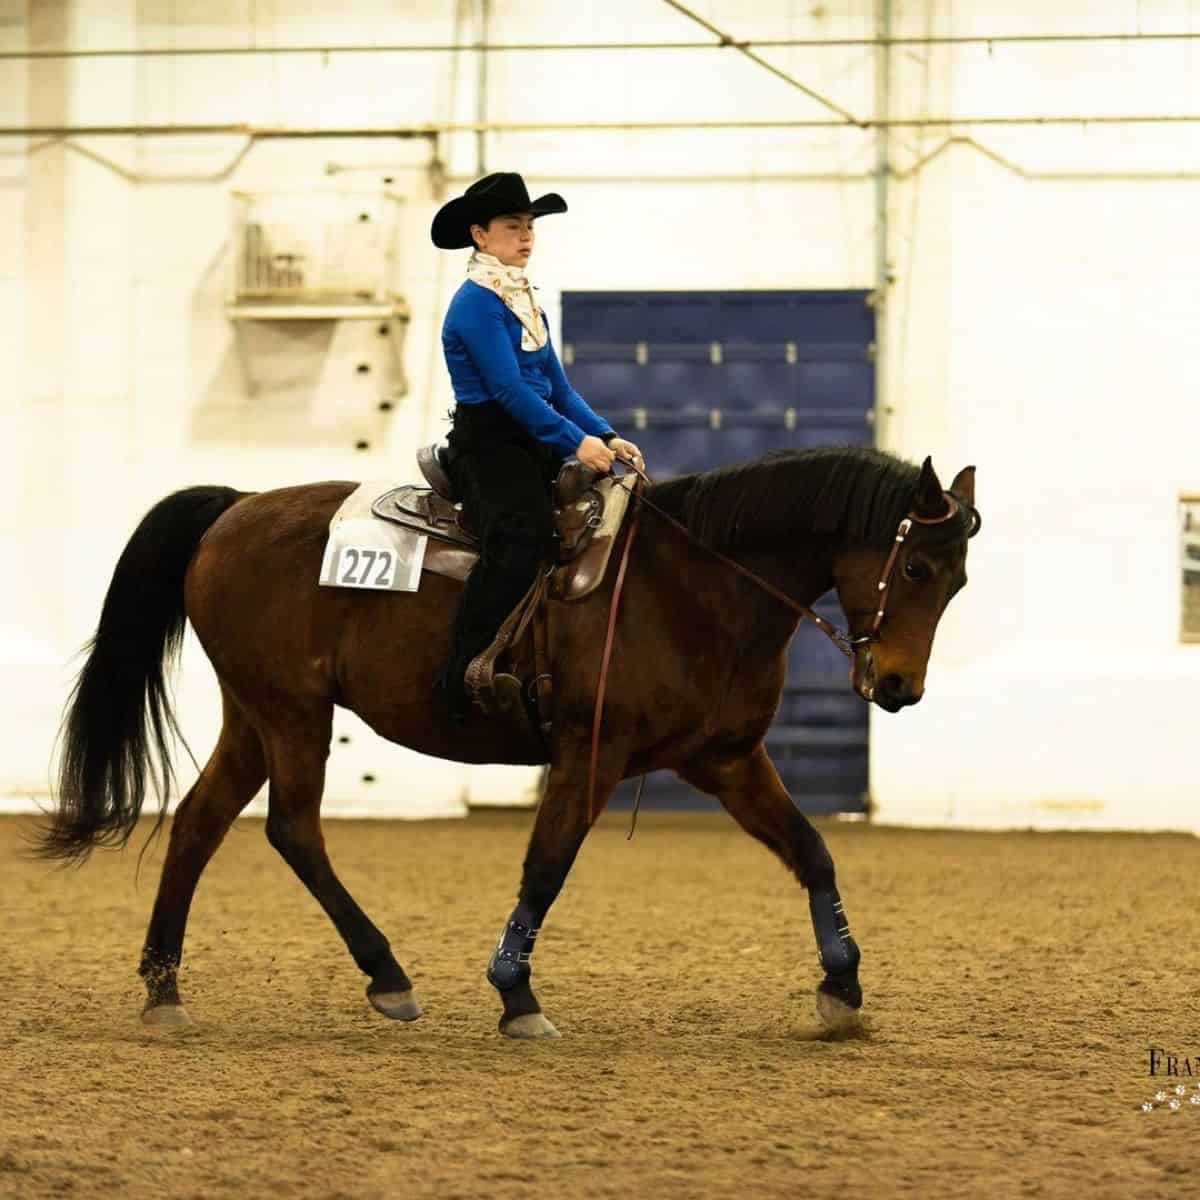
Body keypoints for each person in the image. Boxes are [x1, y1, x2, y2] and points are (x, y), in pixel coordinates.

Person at [430, 171, 643, 723]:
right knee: (520, 538)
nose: (526, 237)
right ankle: (461, 675)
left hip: (534, 435)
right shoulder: (477, 304)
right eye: (512, 226)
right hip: (491, 443)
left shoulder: (524, 303)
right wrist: (577, 441)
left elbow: (559, 388)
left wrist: (608, 434)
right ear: (480, 235)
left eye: (529, 227)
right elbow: (507, 390)